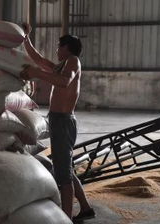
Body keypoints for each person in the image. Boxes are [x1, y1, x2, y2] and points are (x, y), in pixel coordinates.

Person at [20, 22, 95, 222]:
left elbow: (64, 81)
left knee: (63, 177)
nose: (56, 50)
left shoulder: (72, 61)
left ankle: (66, 218)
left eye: (58, 46)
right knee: (65, 169)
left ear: (67, 48)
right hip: (59, 121)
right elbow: (37, 59)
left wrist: (36, 73)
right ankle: (86, 208)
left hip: (63, 122)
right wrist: (25, 38)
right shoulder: (61, 66)